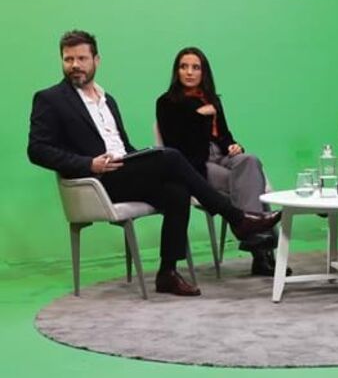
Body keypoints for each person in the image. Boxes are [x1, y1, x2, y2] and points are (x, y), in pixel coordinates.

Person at [28, 30, 280, 297]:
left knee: (177, 191)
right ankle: (238, 218)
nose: (75, 65)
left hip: (124, 169)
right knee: (170, 155)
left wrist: (141, 157)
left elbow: (123, 146)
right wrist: (89, 164)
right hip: (97, 180)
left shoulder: (107, 99)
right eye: (68, 59)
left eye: (81, 58)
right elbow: (37, 150)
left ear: (96, 60)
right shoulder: (50, 99)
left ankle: (167, 274)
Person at [156, 47, 279, 276]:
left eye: (195, 67)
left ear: (203, 72)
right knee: (251, 183)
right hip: (195, 162)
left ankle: (252, 235)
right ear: (176, 71)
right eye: (184, 67)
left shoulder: (212, 100)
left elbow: (224, 135)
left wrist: (234, 146)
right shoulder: (166, 103)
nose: (189, 72)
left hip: (222, 155)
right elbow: (176, 144)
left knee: (250, 161)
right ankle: (261, 252)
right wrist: (200, 116)